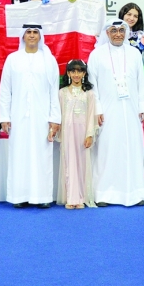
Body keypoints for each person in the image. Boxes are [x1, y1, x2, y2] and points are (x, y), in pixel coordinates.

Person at [88, 19, 144, 207]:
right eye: (114, 30)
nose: (118, 34)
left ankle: (135, 193)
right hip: (107, 112)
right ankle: (104, 194)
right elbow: (92, 85)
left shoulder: (134, 53)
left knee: (132, 149)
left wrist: (143, 106)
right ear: (107, 33)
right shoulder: (96, 55)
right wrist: (97, 109)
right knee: (107, 150)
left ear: (126, 33)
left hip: (131, 111)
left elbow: (141, 81)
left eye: (121, 30)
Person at [0, 25, 61, 209]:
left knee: (42, 155)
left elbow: (54, 91)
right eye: (29, 32)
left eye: (35, 32)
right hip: (18, 116)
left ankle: (42, 196)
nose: (32, 35)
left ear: (40, 36)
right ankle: (19, 196)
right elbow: (5, 90)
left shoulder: (49, 60)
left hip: (42, 117)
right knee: (19, 155)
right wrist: (4, 116)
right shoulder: (13, 59)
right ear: (23, 36)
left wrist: (54, 118)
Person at [57, 60, 98, 208]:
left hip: (82, 133)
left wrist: (89, 134)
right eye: (73, 71)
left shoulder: (89, 94)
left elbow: (91, 114)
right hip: (67, 133)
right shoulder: (62, 93)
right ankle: (71, 197)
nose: (76, 74)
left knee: (82, 164)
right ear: (68, 73)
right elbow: (59, 114)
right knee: (69, 163)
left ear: (84, 73)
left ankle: (81, 197)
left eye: (79, 71)